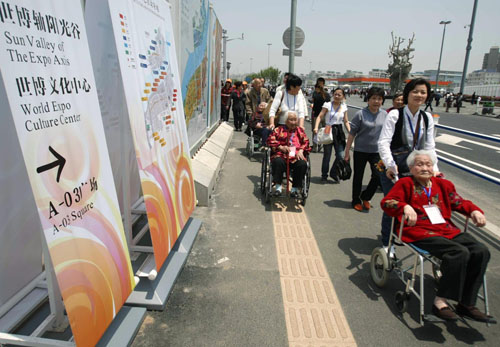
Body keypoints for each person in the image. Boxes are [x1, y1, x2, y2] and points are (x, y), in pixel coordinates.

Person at [381, 150, 494, 323]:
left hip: (445, 229)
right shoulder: (404, 183)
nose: (424, 168)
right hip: (417, 230)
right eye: (419, 164)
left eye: (428, 164)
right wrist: (404, 206)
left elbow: (459, 202)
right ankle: (440, 301)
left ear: (433, 167)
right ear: (411, 168)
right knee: (459, 252)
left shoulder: (443, 185)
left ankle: (466, 303)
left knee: (481, 251)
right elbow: (387, 202)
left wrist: (474, 210)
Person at [377, 78, 439, 249]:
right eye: (415, 91)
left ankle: (407, 235)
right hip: (394, 167)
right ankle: (387, 244)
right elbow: (383, 142)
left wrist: (434, 169)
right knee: (393, 205)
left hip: (415, 169)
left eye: (423, 92)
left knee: (416, 204)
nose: (419, 95)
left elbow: (429, 146)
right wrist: (390, 164)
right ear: (408, 94)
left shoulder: (426, 118)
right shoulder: (395, 114)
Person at [344, 87, 387, 211]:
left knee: (378, 175)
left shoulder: (385, 115)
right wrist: (347, 151)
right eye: (373, 98)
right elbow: (352, 134)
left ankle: (366, 196)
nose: (376, 101)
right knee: (358, 176)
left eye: (379, 99)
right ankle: (356, 200)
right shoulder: (360, 114)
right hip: (360, 151)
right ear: (368, 100)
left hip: (377, 152)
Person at [267, 111, 310, 197]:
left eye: (295, 120)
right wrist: (280, 147)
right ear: (286, 121)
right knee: (277, 161)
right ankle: (278, 187)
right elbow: (270, 139)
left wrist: (301, 150)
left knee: (302, 164)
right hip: (281, 155)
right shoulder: (278, 130)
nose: (294, 122)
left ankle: (294, 189)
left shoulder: (299, 131)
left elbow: (306, 142)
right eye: (291, 120)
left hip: (295, 156)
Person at [314, 88, 350, 182]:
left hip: (339, 130)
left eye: (339, 95)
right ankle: (324, 175)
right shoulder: (328, 104)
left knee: (340, 155)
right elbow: (320, 116)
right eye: (335, 94)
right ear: (333, 95)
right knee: (327, 155)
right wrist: (316, 127)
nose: (337, 96)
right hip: (328, 128)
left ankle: (334, 172)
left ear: (343, 96)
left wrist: (350, 132)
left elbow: (346, 121)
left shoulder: (344, 107)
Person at [311, 78, 330, 152]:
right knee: (324, 131)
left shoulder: (316, 94)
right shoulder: (326, 94)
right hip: (323, 115)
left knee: (317, 131)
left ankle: (316, 146)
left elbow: (312, 102)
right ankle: (321, 146)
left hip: (318, 115)